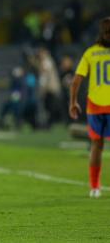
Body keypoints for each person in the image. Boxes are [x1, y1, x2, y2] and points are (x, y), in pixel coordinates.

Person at [70, 17, 110, 199]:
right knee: (96, 146)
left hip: (94, 105)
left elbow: (76, 80)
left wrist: (73, 102)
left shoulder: (91, 53)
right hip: (98, 106)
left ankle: (95, 187)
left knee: (96, 146)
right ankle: (94, 186)